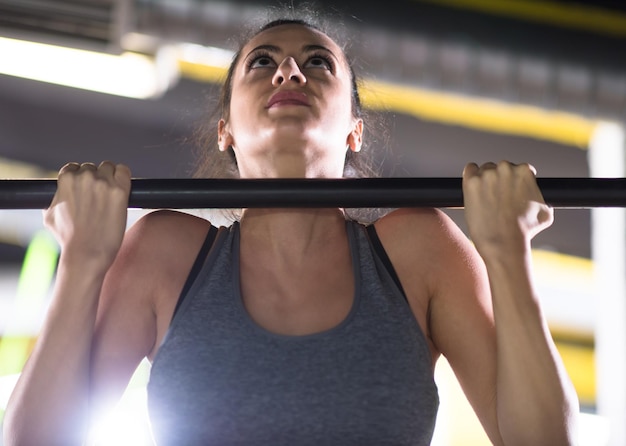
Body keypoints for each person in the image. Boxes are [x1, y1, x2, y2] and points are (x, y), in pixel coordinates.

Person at [3, 7, 579, 446]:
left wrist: (508, 254)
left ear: (354, 131)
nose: (288, 69)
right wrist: (81, 263)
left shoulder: (418, 250)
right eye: (261, 61)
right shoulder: (165, 253)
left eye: (318, 62)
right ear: (225, 129)